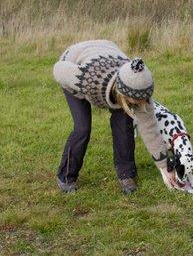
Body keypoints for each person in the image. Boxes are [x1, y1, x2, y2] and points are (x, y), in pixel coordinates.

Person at [53, 40, 176, 194]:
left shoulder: (140, 91)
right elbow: (58, 69)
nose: (142, 104)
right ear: (124, 93)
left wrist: (165, 168)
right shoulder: (87, 78)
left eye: (145, 99)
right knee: (82, 128)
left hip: (108, 52)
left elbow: (150, 129)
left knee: (124, 124)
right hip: (75, 67)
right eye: (137, 101)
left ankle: (126, 174)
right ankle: (65, 176)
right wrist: (81, 91)